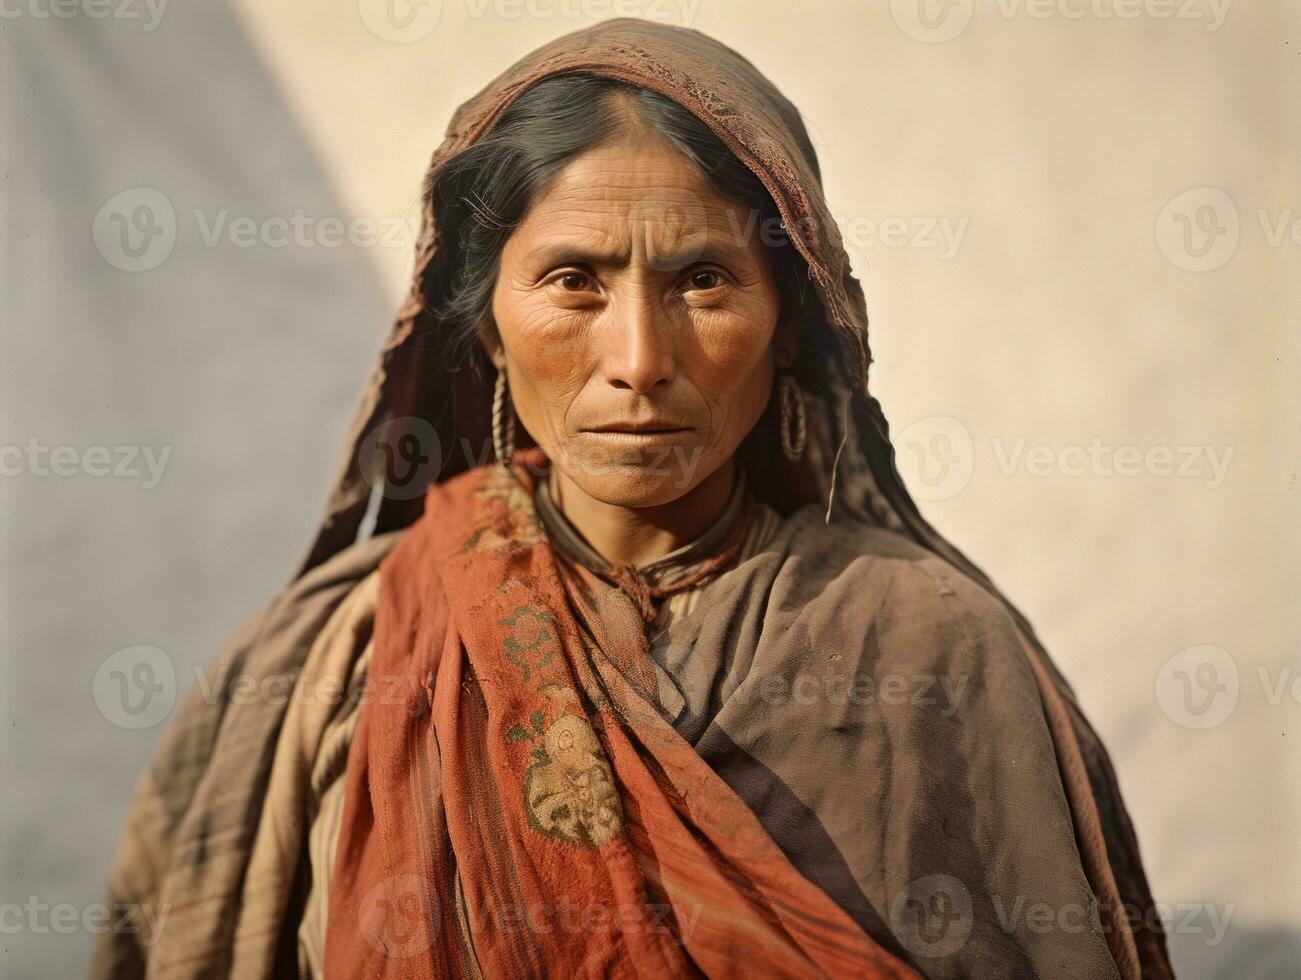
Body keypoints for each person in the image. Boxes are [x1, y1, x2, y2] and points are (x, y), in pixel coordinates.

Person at [94, 19, 1173, 979]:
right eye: (574, 281)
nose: (639, 358)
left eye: (703, 281)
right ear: (482, 322)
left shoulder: (935, 656)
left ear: (786, 320)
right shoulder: (329, 662)